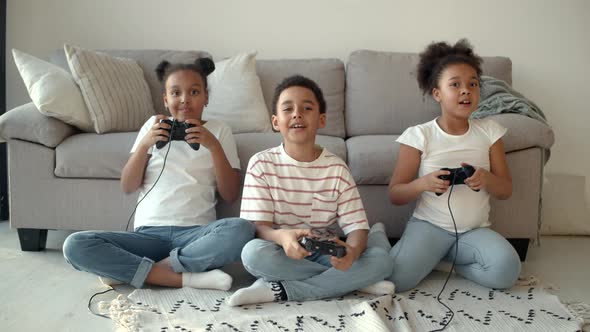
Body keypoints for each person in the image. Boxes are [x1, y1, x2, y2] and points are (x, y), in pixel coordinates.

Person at [63, 58, 254, 290]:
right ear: (165, 99)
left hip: (196, 235)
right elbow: (127, 186)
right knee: (75, 244)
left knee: (242, 229)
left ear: (206, 97)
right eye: (176, 93)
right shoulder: (152, 127)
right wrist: (145, 145)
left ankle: (138, 271)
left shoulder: (220, 130)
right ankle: (184, 277)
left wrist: (213, 146)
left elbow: (231, 193)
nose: (184, 99)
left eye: (194, 92)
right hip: (148, 235)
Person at [368, 39, 521, 292]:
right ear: (437, 93)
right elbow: (395, 194)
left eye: (473, 84)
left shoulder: (491, 132)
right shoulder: (419, 135)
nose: (466, 91)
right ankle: (377, 236)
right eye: (455, 85)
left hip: (474, 232)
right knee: (396, 281)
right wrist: (423, 184)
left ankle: (444, 263)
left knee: (506, 272)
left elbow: (505, 190)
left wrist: (486, 178)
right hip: (429, 228)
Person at [227, 75, 394, 306]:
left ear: (321, 119)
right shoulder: (261, 164)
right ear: (276, 121)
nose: (297, 113)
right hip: (280, 252)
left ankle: (278, 289)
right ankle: (353, 281)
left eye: (307, 108)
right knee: (252, 254)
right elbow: (258, 228)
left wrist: (353, 254)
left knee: (381, 261)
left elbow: (357, 228)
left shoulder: (336, 168)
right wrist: (283, 237)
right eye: (288, 109)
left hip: (325, 253)